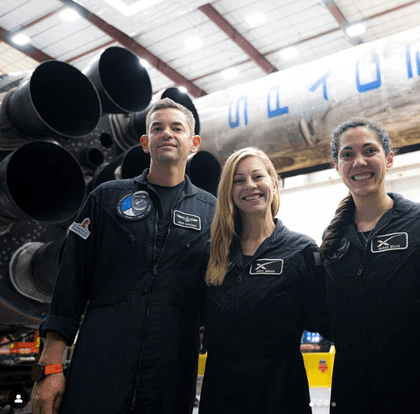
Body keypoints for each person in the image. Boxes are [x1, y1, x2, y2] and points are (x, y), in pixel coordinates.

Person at [32, 98, 217, 414]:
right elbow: (70, 282)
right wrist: (50, 367)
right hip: (99, 364)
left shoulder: (212, 213)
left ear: (194, 143)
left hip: (170, 372)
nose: (167, 134)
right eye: (157, 128)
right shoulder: (106, 199)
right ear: (145, 143)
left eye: (177, 128)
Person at [320, 118, 420, 414]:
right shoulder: (333, 238)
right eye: (347, 154)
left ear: (389, 158)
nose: (359, 161)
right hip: (354, 391)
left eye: (369, 151)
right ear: (336, 165)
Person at [199, 147, 329, 414]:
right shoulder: (213, 253)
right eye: (239, 180)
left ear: (273, 182)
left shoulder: (301, 251)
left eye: (258, 176)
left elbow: (328, 320)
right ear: (229, 191)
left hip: (280, 395)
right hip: (220, 396)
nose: (250, 186)